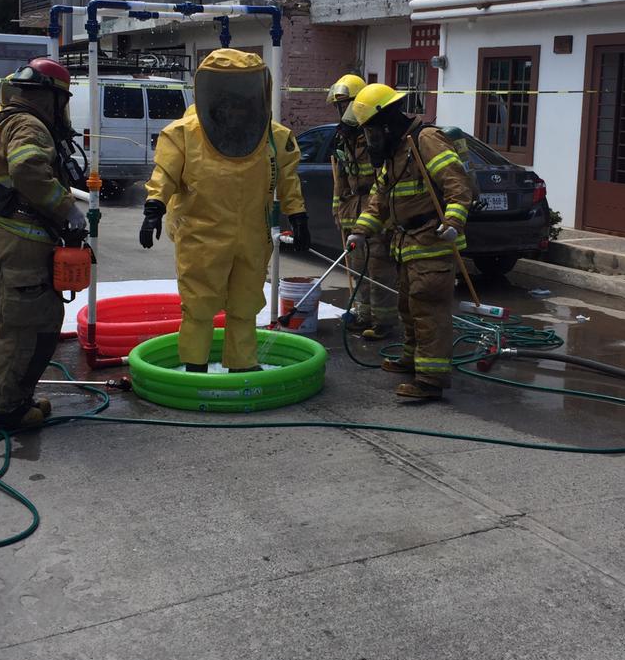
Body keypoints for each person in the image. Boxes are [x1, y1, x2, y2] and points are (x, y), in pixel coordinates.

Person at [140, 48, 310, 373]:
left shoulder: (273, 137)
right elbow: (164, 175)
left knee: (246, 304)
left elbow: (288, 180)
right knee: (199, 304)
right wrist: (153, 208)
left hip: (252, 237)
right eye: (228, 100)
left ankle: (243, 364)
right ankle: (194, 365)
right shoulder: (183, 135)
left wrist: (298, 216)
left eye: (241, 99)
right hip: (202, 237)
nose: (234, 109)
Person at [345, 83, 478, 404]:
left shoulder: (425, 140)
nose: (371, 139)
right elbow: (379, 198)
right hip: (406, 244)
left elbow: (457, 184)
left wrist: (454, 221)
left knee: (428, 307)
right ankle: (412, 358)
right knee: (408, 306)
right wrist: (360, 230)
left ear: (387, 121)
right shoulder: (396, 150)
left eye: (373, 131)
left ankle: (431, 378)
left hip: (432, 242)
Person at [0, 58, 87, 429]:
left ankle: (9, 393)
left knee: (5, 324)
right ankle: (6, 408)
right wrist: (67, 209)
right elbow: (26, 169)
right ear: (51, 97)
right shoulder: (28, 124)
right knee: (29, 326)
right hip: (21, 240)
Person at [327, 73, 398, 338]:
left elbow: (385, 176)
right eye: (338, 105)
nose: (340, 110)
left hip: (375, 206)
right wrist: (337, 209)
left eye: (344, 104)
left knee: (379, 268)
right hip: (353, 207)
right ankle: (363, 315)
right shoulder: (344, 138)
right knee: (358, 268)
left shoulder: (376, 135)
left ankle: (384, 322)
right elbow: (341, 179)